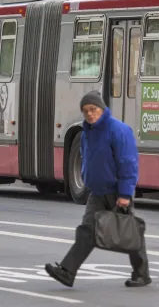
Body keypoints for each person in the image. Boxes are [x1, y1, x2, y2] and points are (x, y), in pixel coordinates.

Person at [45, 90, 152, 288]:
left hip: (116, 191)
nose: (89, 114)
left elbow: (128, 163)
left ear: (102, 109)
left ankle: (142, 273)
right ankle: (67, 272)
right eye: (85, 111)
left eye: (93, 109)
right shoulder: (87, 133)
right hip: (97, 192)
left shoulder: (118, 130)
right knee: (86, 231)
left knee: (130, 232)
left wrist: (125, 194)